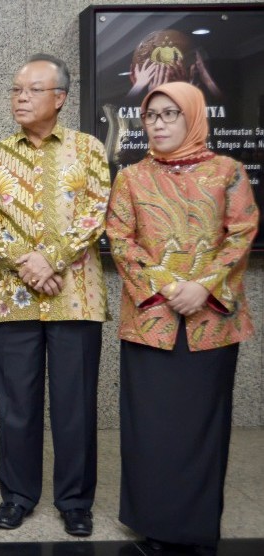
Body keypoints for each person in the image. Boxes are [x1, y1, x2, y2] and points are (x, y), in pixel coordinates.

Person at [106, 82, 258, 556]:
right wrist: (169, 287)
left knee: (201, 427)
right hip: (152, 322)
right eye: (152, 116)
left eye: (171, 114)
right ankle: (152, 522)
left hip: (210, 323)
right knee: (149, 427)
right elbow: (120, 238)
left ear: (192, 116)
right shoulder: (131, 178)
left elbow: (242, 234)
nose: (160, 123)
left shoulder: (228, 172)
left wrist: (204, 286)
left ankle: (194, 527)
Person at [0, 54, 110, 537]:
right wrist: (25, 263)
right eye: (15, 90)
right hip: (13, 297)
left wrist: (50, 259)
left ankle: (75, 500)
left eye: (32, 90)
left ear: (60, 98)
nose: (21, 98)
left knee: (75, 406)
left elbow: (96, 212)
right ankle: (17, 496)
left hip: (76, 295)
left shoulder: (88, 149)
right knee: (17, 406)